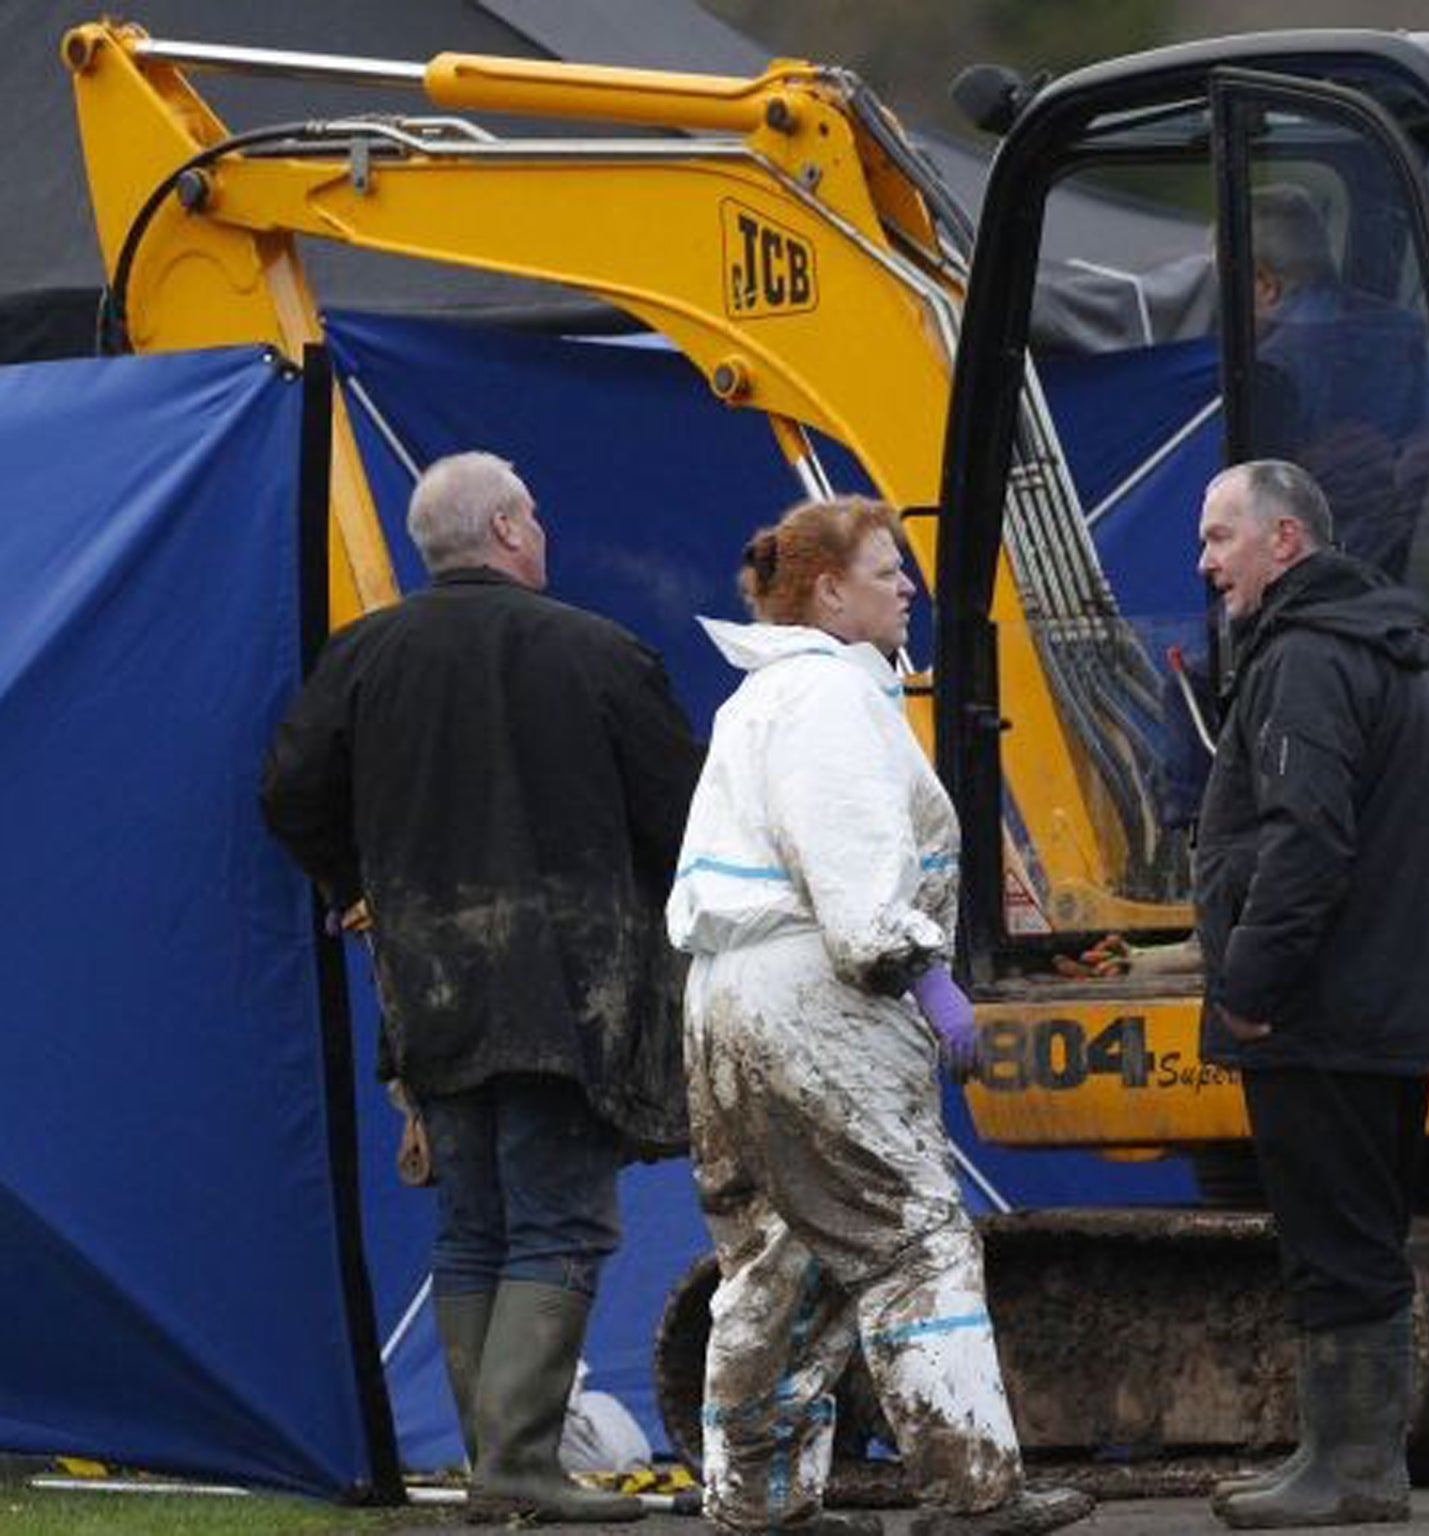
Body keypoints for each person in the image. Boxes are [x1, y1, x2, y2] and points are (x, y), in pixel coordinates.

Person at [260, 451, 700, 1525]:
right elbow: (684, 820)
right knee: (556, 1226)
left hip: (430, 988)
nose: (541, 531)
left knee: (471, 1227)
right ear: (507, 529)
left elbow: (288, 794)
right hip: (570, 993)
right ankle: (517, 1470)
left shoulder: (363, 658)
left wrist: (362, 885)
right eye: (535, 516)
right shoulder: (601, 655)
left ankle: (494, 1471)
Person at [669, 497, 1092, 1536]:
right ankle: (972, 1489)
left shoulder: (758, 701)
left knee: (780, 1254)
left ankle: (756, 1502)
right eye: (886, 568)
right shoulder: (831, 700)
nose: (907, 586)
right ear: (827, 591)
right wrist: (928, 982)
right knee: (913, 1242)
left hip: (728, 998)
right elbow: (853, 870)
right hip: (817, 998)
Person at [1192, 460, 1429, 1529]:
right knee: (1358, 1235)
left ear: (1283, 543)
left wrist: (1248, 982)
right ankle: (1339, 1455)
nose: (1204, 561)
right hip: (1382, 1004)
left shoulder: (1308, 658)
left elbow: (1304, 837)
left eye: (1221, 536)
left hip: (1321, 1009)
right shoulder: (1379, 641)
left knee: (1335, 1242)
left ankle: (1351, 1471)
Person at [1248, 182, 1429, 581]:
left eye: (1228, 287)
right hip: (1413, 552)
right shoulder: (1411, 335)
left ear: (1266, 285)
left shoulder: (1271, 371)